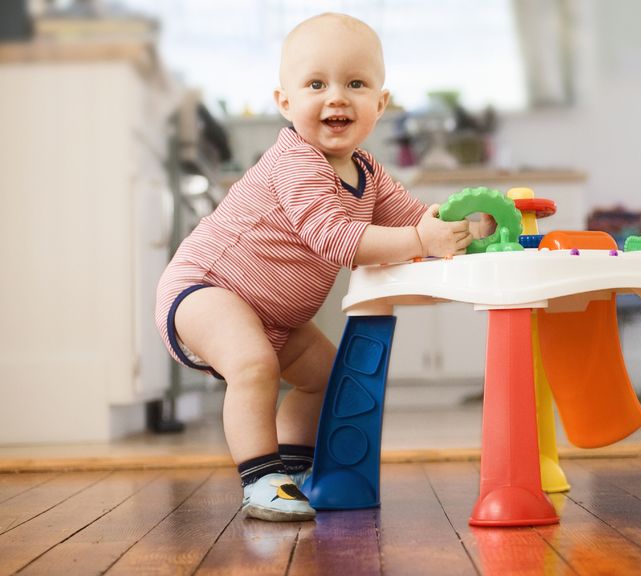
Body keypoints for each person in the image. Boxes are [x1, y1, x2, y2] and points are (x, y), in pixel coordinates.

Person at [155, 12, 488, 522]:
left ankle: (294, 470)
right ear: (285, 102)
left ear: (380, 102)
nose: (336, 97)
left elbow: (414, 220)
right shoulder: (297, 160)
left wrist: (464, 226)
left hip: (278, 315)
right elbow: (334, 237)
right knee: (254, 365)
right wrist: (421, 238)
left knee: (329, 377)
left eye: (355, 83)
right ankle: (260, 477)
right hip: (208, 289)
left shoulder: (368, 171)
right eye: (316, 84)